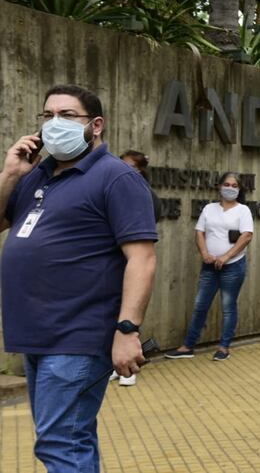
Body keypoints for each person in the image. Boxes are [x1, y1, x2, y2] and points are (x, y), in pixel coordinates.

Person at [0, 84, 157, 472]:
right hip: (37, 333)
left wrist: (127, 330)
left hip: (79, 334)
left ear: (96, 125)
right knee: (70, 438)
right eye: (48, 115)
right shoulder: (36, 175)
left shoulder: (117, 177)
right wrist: (10, 174)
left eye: (67, 115)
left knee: (60, 442)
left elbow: (142, 259)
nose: (54, 123)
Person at [166, 173, 254, 360]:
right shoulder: (209, 208)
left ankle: (224, 348)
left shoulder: (243, 210)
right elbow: (199, 232)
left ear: (239, 189)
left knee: (228, 306)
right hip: (209, 266)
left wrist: (226, 256)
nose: (230, 188)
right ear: (219, 186)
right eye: (226, 184)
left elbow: (246, 236)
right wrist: (204, 253)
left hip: (233, 266)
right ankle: (187, 346)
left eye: (234, 185)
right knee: (200, 305)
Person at [111, 150, 162, 386]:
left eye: (130, 166)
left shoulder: (145, 195)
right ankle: (112, 365)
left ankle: (130, 370)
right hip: (113, 269)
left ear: (141, 170)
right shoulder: (115, 188)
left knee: (129, 318)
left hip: (133, 265)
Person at [120, 150, 161, 222]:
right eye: (121, 166)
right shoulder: (117, 191)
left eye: (130, 167)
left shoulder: (148, 195)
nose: (124, 170)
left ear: (140, 170)